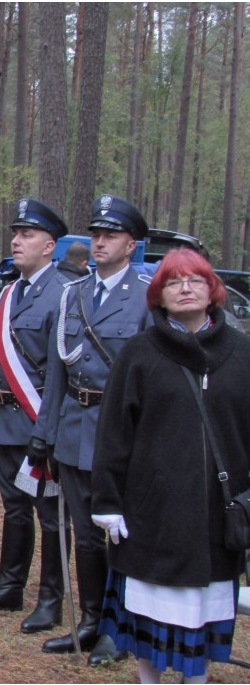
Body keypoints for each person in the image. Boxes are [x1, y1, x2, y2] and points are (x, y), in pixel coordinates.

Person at [92, 249, 250, 684]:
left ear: (211, 290)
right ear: (158, 295)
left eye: (194, 280)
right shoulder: (139, 354)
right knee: (149, 614)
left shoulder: (242, 353)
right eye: (173, 282)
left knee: (201, 614)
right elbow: (112, 435)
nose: (184, 289)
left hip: (216, 518)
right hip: (151, 516)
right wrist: (107, 501)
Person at [36, 195, 153, 664]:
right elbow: (56, 376)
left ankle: (120, 629)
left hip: (123, 433)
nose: (99, 241)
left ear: (132, 244)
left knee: (123, 534)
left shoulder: (147, 296)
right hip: (74, 428)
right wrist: (44, 434)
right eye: (96, 234)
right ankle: (89, 620)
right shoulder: (74, 294)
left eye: (110, 235)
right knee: (84, 533)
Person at [0, 199, 70, 635]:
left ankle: (50, 600)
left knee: (50, 515)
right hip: (7, 419)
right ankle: (9, 587)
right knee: (14, 509)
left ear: (50, 245)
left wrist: (49, 428)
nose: (17, 240)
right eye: (16, 233)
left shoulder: (64, 293)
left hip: (42, 420)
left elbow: (62, 368)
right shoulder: (8, 293)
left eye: (27, 234)